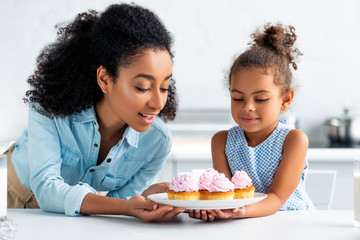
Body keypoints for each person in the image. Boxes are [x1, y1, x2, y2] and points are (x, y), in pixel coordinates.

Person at [7, 3, 185, 222]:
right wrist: (126, 206)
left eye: (164, 87)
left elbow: (122, 205)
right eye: (142, 87)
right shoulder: (51, 104)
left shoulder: (156, 142)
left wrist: (146, 199)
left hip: (74, 214)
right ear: (105, 79)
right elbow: (47, 188)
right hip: (10, 196)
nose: (158, 103)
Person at [189, 23, 314, 221]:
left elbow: (277, 197)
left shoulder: (293, 140)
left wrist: (241, 211)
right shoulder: (221, 141)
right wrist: (211, 209)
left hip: (291, 223)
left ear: (285, 99)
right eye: (238, 98)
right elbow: (224, 195)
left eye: (261, 99)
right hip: (241, 223)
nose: (247, 107)